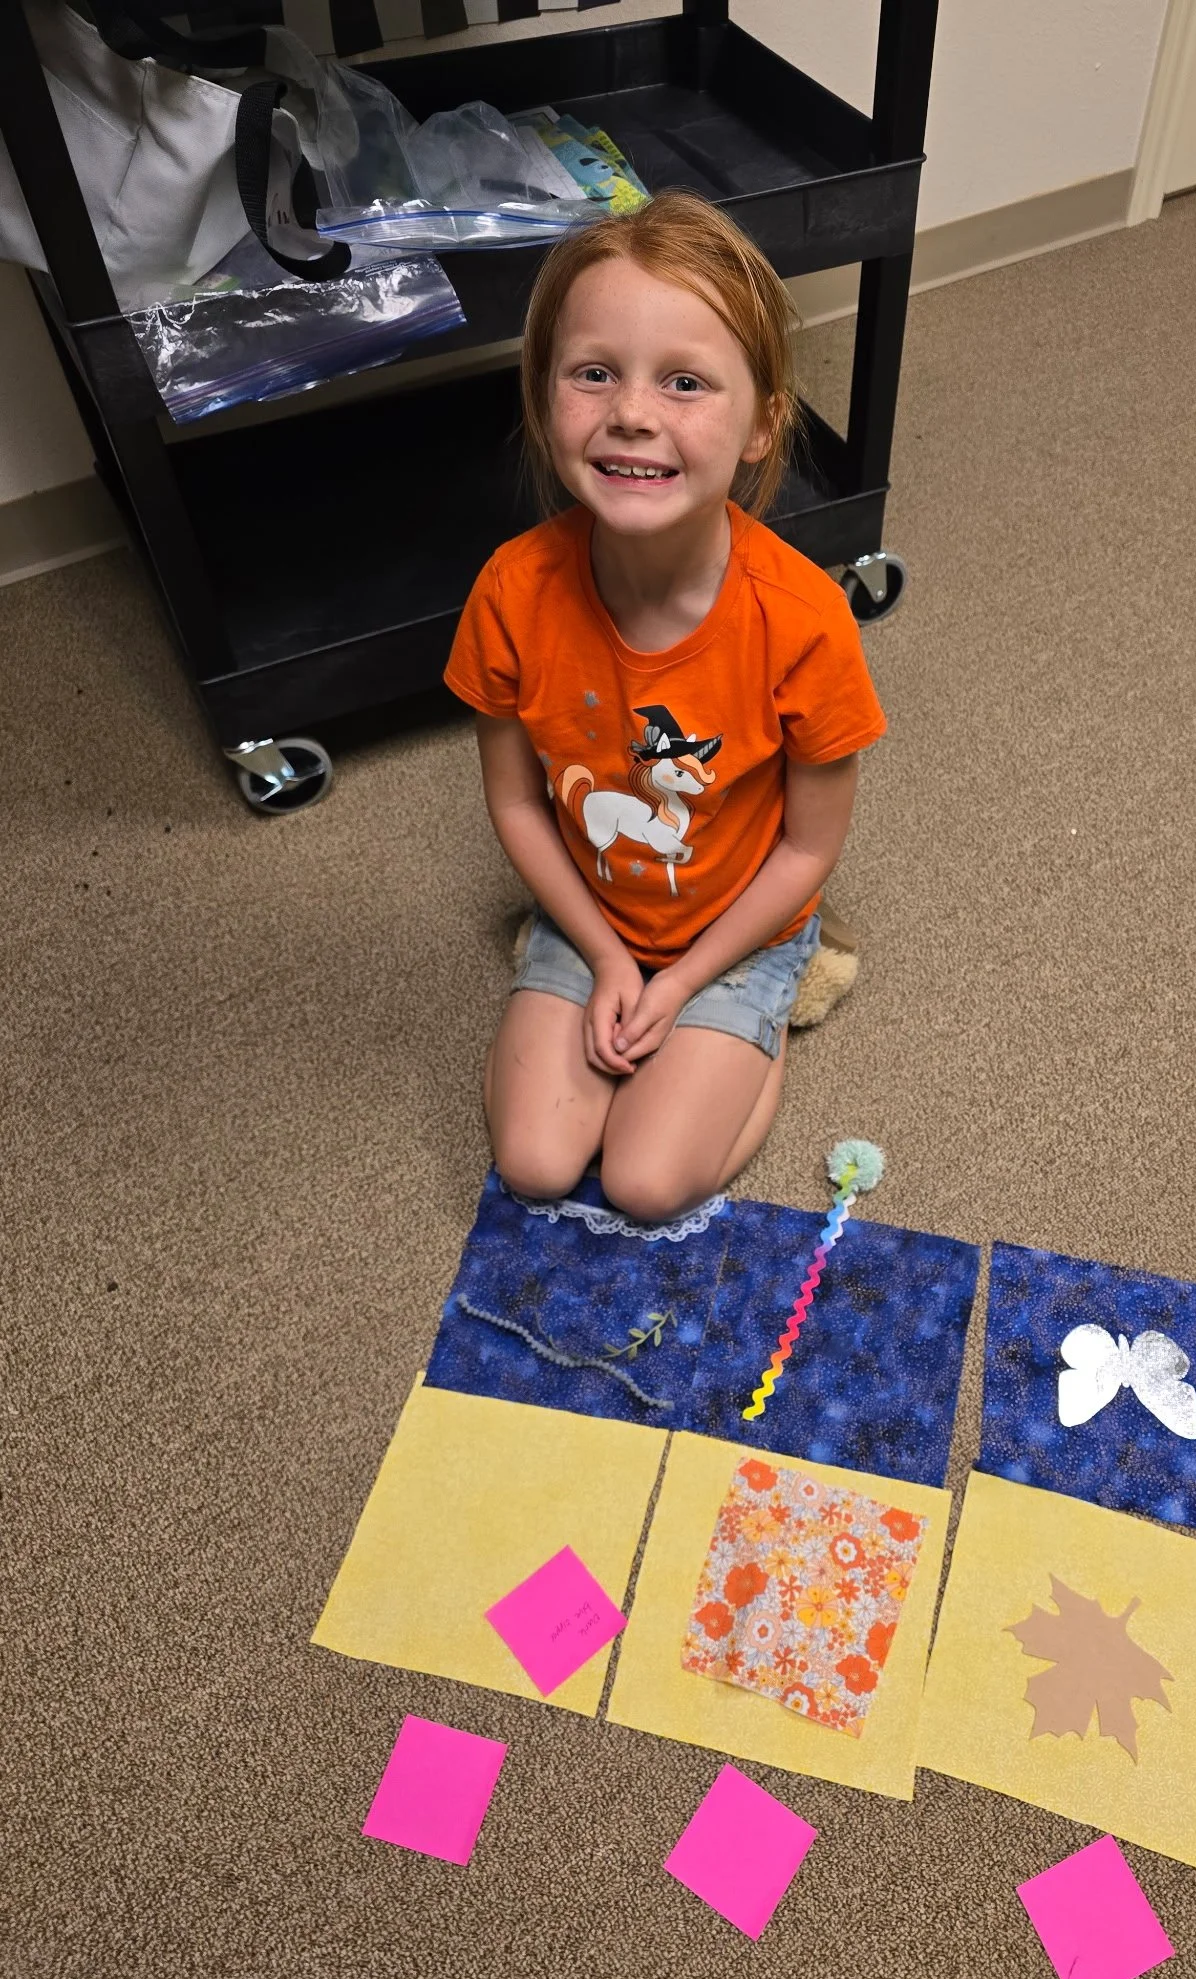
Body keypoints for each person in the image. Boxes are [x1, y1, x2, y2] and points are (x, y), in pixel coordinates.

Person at [445, 190, 885, 1223]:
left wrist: (680, 984)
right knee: (537, 1163)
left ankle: (765, 1017)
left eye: (684, 382)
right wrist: (602, 952)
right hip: (592, 908)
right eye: (593, 373)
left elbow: (806, 850)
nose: (632, 412)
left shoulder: (806, 620)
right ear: (544, 395)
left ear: (761, 422)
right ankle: (618, 986)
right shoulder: (511, 592)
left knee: (645, 1183)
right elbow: (516, 803)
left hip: (740, 926)